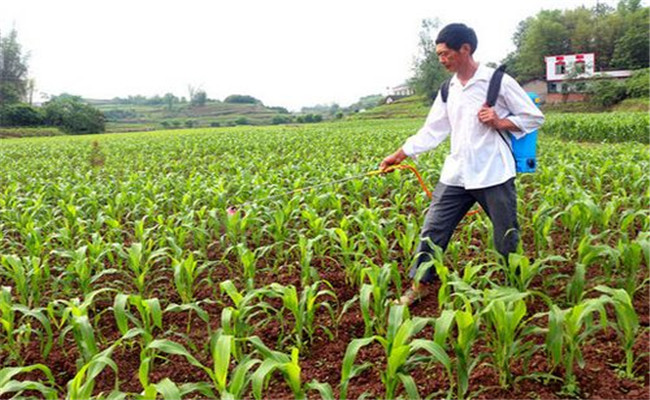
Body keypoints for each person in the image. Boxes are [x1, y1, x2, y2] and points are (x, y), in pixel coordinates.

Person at [380, 23, 545, 306]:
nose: (442, 60)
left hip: (494, 171)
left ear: (465, 49)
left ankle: (513, 289)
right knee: (432, 231)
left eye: (446, 54)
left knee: (506, 235)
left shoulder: (497, 81)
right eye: (439, 56)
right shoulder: (449, 89)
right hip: (456, 173)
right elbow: (433, 129)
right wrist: (400, 154)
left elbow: (533, 117)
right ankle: (419, 286)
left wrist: (499, 121)